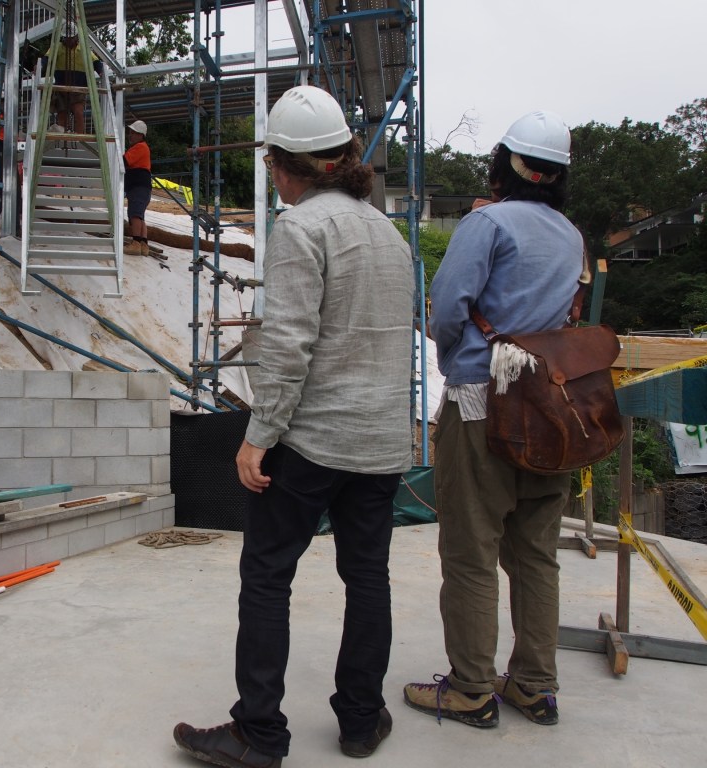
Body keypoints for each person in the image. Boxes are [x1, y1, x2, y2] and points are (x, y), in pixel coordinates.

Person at [172, 85, 415, 767]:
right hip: (381, 444)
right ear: (341, 156)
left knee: (268, 576)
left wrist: (259, 434)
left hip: (313, 442)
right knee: (368, 576)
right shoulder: (388, 233)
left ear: (285, 165)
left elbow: (287, 342)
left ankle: (259, 733)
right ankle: (362, 721)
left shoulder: (303, 230)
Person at [403, 111, 582, 728]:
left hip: (481, 402)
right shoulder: (570, 236)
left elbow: (448, 306)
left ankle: (471, 689)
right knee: (536, 552)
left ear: (506, 162)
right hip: (549, 411)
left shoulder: (488, 223)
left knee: (471, 549)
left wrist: (457, 362)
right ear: (557, 175)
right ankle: (534, 684)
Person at [44, 30, 100, 133]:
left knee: (78, 112)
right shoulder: (57, 47)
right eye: (67, 39)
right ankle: (63, 138)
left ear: (76, 37)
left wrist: (101, 72)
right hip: (61, 89)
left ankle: (80, 139)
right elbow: (46, 59)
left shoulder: (83, 49)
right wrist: (40, 67)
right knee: (62, 114)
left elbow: (95, 62)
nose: (69, 41)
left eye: (71, 38)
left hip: (79, 89)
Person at [122, 120, 152, 256]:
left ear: (141, 135)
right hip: (142, 188)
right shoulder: (142, 147)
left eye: (133, 133)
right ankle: (143, 244)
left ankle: (135, 243)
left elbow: (125, 161)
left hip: (138, 187)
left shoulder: (140, 147)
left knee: (135, 215)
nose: (130, 136)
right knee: (140, 217)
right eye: (130, 133)